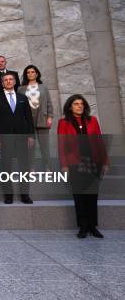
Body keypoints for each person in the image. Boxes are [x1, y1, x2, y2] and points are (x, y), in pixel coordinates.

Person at [58, 95, 108, 239]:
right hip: (75, 163)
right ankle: (83, 227)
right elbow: (61, 145)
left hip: (93, 162)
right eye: (76, 104)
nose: (79, 106)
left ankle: (93, 226)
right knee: (79, 196)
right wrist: (64, 165)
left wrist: (105, 162)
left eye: (81, 104)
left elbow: (99, 141)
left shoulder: (92, 121)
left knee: (92, 195)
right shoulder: (63, 123)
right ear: (70, 107)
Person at [0, 72, 35, 204]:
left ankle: (24, 195)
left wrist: (31, 136)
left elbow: (29, 119)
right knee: (5, 166)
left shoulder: (23, 98)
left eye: (11, 79)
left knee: (24, 166)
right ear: (3, 83)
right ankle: (8, 194)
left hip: (22, 137)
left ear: (15, 82)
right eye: (6, 80)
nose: (9, 81)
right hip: (5, 137)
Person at [18, 65, 53, 170]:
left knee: (44, 146)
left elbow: (49, 103)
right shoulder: (20, 89)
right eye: (28, 72)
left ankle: (48, 167)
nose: (30, 74)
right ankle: (31, 168)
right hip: (27, 120)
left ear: (37, 74)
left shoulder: (43, 87)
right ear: (26, 75)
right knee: (30, 146)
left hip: (42, 118)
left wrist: (50, 116)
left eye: (32, 72)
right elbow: (19, 105)